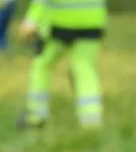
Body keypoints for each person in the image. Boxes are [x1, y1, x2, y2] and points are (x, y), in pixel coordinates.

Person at [18, 0, 107, 129]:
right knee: (85, 69)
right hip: (93, 20)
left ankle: (36, 116)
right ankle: (91, 121)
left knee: (42, 65)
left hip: (59, 22)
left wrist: (31, 20)